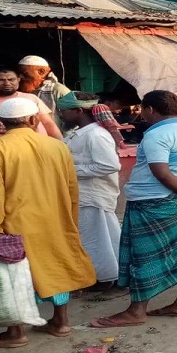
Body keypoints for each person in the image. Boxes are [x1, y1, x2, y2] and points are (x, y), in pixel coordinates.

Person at [91, 91, 177, 328]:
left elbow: (161, 171)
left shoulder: (155, 135)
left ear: (149, 109)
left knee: (144, 256)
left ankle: (137, 310)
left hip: (154, 201)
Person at [0, 97, 95, 346]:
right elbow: (71, 188)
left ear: (2, 123)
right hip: (56, 219)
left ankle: (15, 332)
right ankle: (60, 322)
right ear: (35, 120)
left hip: (16, 223)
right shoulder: (57, 146)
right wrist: (71, 218)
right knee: (57, 264)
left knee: (16, 274)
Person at [58, 93, 122, 290]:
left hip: (93, 195)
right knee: (102, 237)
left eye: (63, 111)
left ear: (78, 111)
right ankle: (111, 276)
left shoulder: (95, 135)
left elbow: (110, 165)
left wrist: (72, 172)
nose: (60, 115)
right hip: (86, 196)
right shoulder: (81, 133)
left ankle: (102, 279)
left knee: (97, 239)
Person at [0, 66, 61, 141]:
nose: (7, 83)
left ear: (18, 80)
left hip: (40, 146)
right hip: (1, 150)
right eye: (0, 80)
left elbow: (48, 123)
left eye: (11, 79)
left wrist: (62, 144)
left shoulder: (31, 98)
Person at [16, 55, 72, 119]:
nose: (20, 77)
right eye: (19, 73)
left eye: (25, 74)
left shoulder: (58, 90)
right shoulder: (18, 91)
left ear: (41, 71)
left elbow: (73, 117)